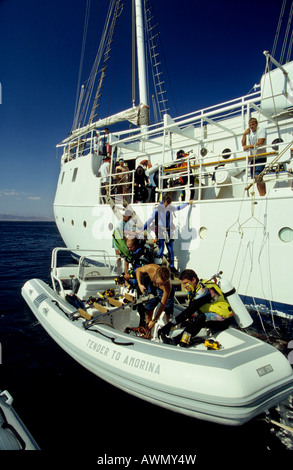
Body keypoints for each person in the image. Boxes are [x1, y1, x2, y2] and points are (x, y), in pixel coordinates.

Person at [159, 269, 233, 347]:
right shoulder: (194, 289)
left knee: (201, 318)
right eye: (183, 284)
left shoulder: (204, 291)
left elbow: (190, 310)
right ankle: (184, 340)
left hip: (224, 320)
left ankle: (175, 340)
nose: (184, 286)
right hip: (212, 316)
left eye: (186, 283)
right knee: (187, 322)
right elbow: (190, 310)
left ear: (194, 280)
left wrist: (170, 325)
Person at [143, 195, 193, 274]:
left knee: (171, 250)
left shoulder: (170, 208)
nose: (167, 206)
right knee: (161, 249)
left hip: (168, 232)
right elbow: (150, 219)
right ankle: (158, 266)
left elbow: (179, 208)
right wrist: (143, 228)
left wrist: (188, 203)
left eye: (169, 204)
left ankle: (172, 266)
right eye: (166, 204)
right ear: (163, 202)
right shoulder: (158, 210)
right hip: (160, 231)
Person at [136, 264, 174, 330]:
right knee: (148, 310)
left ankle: (169, 330)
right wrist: (140, 284)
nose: (161, 285)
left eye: (163, 284)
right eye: (160, 283)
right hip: (152, 288)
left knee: (168, 311)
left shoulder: (167, 287)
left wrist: (154, 320)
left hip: (164, 293)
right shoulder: (151, 268)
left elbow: (163, 304)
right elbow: (138, 270)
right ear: (156, 276)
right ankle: (148, 333)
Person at [241, 118, 266, 196]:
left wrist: (248, 146)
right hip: (253, 157)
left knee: (257, 176)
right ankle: (261, 194)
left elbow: (261, 142)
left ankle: (263, 194)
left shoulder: (261, 129)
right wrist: (244, 134)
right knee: (255, 178)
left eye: (253, 124)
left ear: (256, 124)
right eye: (250, 125)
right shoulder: (250, 133)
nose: (251, 127)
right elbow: (243, 144)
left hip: (261, 156)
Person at [112, 210, 134, 274]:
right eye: (129, 217)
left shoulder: (125, 222)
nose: (129, 219)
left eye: (130, 217)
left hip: (120, 240)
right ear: (125, 216)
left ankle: (124, 272)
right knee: (119, 257)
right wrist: (127, 237)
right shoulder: (120, 223)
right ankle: (119, 273)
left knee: (124, 258)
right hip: (117, 242)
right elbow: (119, 232)